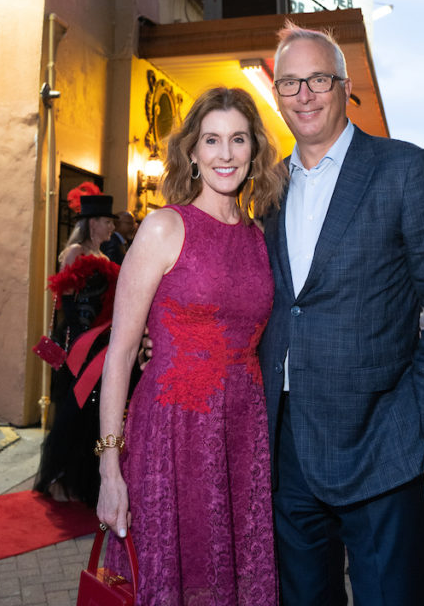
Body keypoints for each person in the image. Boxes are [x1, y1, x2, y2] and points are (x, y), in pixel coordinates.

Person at [259, 23, 424, 606]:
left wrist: (417, 419)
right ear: (275, 93)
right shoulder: (269, 188)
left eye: (318, 79)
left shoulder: (404, 169)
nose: (303, 94)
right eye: (289, 83)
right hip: (289, 450)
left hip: (380, 445)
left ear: (344, 85)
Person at [97, 88, 285, 605]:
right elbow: (119, 355)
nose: (225, 154)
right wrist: (108, 470)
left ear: (254, 152)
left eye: (238, 140)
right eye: (212, 140)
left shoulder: (258, 238)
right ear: (193, 153)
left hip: (241, 433)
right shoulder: (164, 227)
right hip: (169, 434)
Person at [34, 189, 120, 506]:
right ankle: (61, 480)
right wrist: (82, 334)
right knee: (73, 409)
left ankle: (84, 480)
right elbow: (66, 299)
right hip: (78, 343)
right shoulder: (74, 252)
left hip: (99, 343)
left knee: (92, 411)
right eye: (106, 222)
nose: (111, 227)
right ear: (91, 222)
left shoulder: (105, 258)